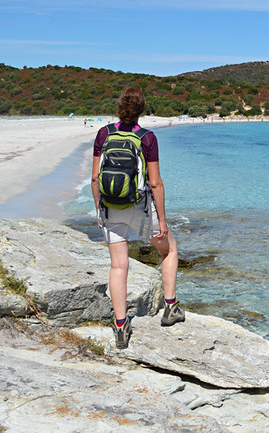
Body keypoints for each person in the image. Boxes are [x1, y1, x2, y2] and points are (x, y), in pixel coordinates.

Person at [91, 86, 184, 349]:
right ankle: (170, 307)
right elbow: (155, 184)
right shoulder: (147, 138)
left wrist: (99, 208)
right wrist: (162, 220)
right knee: (169, 250)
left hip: (110, 206)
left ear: (119, 108)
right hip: (140, 208)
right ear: (142, 110)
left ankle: (120, 326)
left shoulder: (103, 133)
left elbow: (95, 178)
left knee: (119, 266)